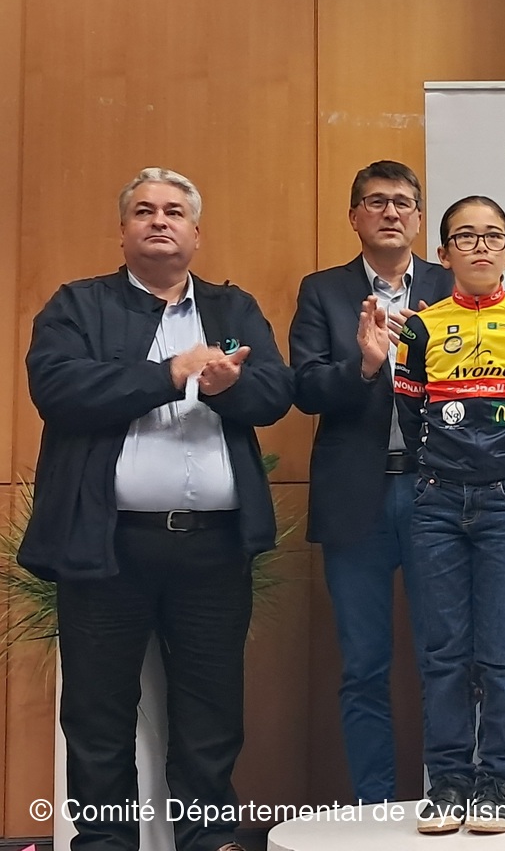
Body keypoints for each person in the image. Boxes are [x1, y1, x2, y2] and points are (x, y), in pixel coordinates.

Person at [22, 167, 294, 851]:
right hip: (107, 545)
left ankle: (207, 838)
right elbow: (59, 388)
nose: (159, 220)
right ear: (122, 232)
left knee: (211, 708)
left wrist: (229, 387)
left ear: (196, 233)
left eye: (174, 211)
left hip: (213, 547)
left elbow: (274, 393)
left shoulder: (232, 308)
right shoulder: (78, 304)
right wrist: (169, 374)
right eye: (144, 211)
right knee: (98, 712)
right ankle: (103, 844)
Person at [395, 196, 505, 834]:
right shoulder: (420, 328)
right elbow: (410, 414)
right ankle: (447, 782)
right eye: (465, 237)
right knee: (443, 651)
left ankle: (497, 781)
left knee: (502, 651)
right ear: (443, 254)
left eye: (493, 236)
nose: (480, 247)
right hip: (436, 502)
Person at [289, 160, 453, 803]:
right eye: (376, 201)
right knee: (363, 665)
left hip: (437, 494)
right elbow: (304, 388)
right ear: (354, 216)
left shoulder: (449, 285)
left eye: (403, 202)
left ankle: (449, 798)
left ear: (419, 218)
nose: (390, 212)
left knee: (444, 660)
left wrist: (429, 358)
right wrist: (361, 365)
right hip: (356, 497)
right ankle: (375, 808)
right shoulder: (323, 291)